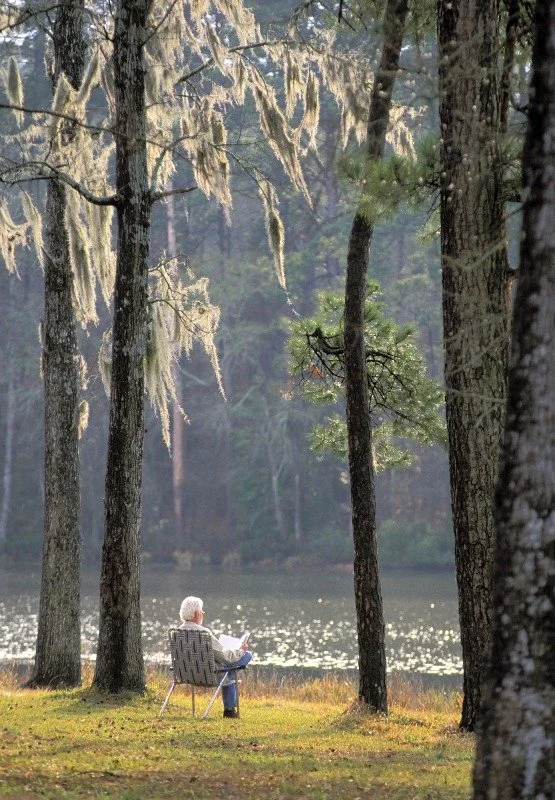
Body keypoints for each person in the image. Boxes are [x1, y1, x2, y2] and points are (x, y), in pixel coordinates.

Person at [178, 595, 252, 718]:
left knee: (229, 667)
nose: (203, 613)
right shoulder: (203, 633)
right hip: (208, 675)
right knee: (245, 656)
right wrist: (240, 651)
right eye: (202, 611)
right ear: (196, 614)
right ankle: (229, 709)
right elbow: (225, 657)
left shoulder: (177, 632)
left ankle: (229, 709)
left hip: (185, 675)